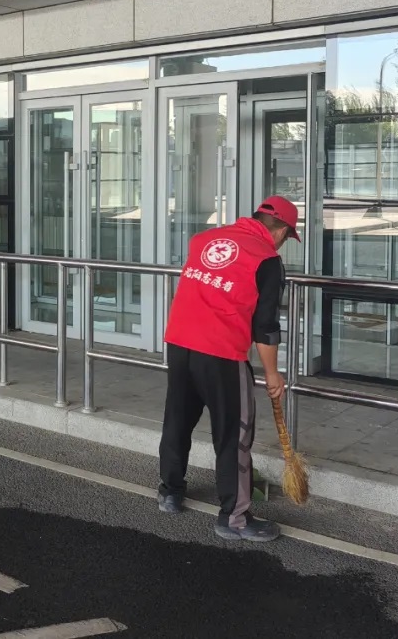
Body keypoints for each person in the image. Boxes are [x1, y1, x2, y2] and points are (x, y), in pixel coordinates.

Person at [157, 195, 296, 542]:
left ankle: (170, 491)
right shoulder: (267, 259)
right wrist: (272, 374)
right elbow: (265, 326)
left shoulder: (203, 239)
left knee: (178, 419)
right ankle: (235, 518)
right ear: (281, 230)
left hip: (179, 342)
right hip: (220, 351)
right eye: (287, 237)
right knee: (234, 434)